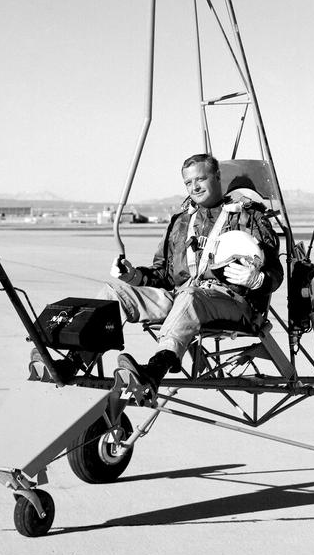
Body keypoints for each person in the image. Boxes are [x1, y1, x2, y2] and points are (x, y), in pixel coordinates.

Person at [102, 153, 282, 400]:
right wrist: (133, 276)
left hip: (232, 302)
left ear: (218, 177)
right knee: (115, 293)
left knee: (190, 296)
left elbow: (275, 272)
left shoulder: (249, 218)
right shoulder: (181, 222)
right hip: (183, 297)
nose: (194, 187)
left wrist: (257, 280)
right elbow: (163, 275)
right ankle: (75, 357)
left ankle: (155, 370)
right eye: (188, 183)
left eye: (200, 179)